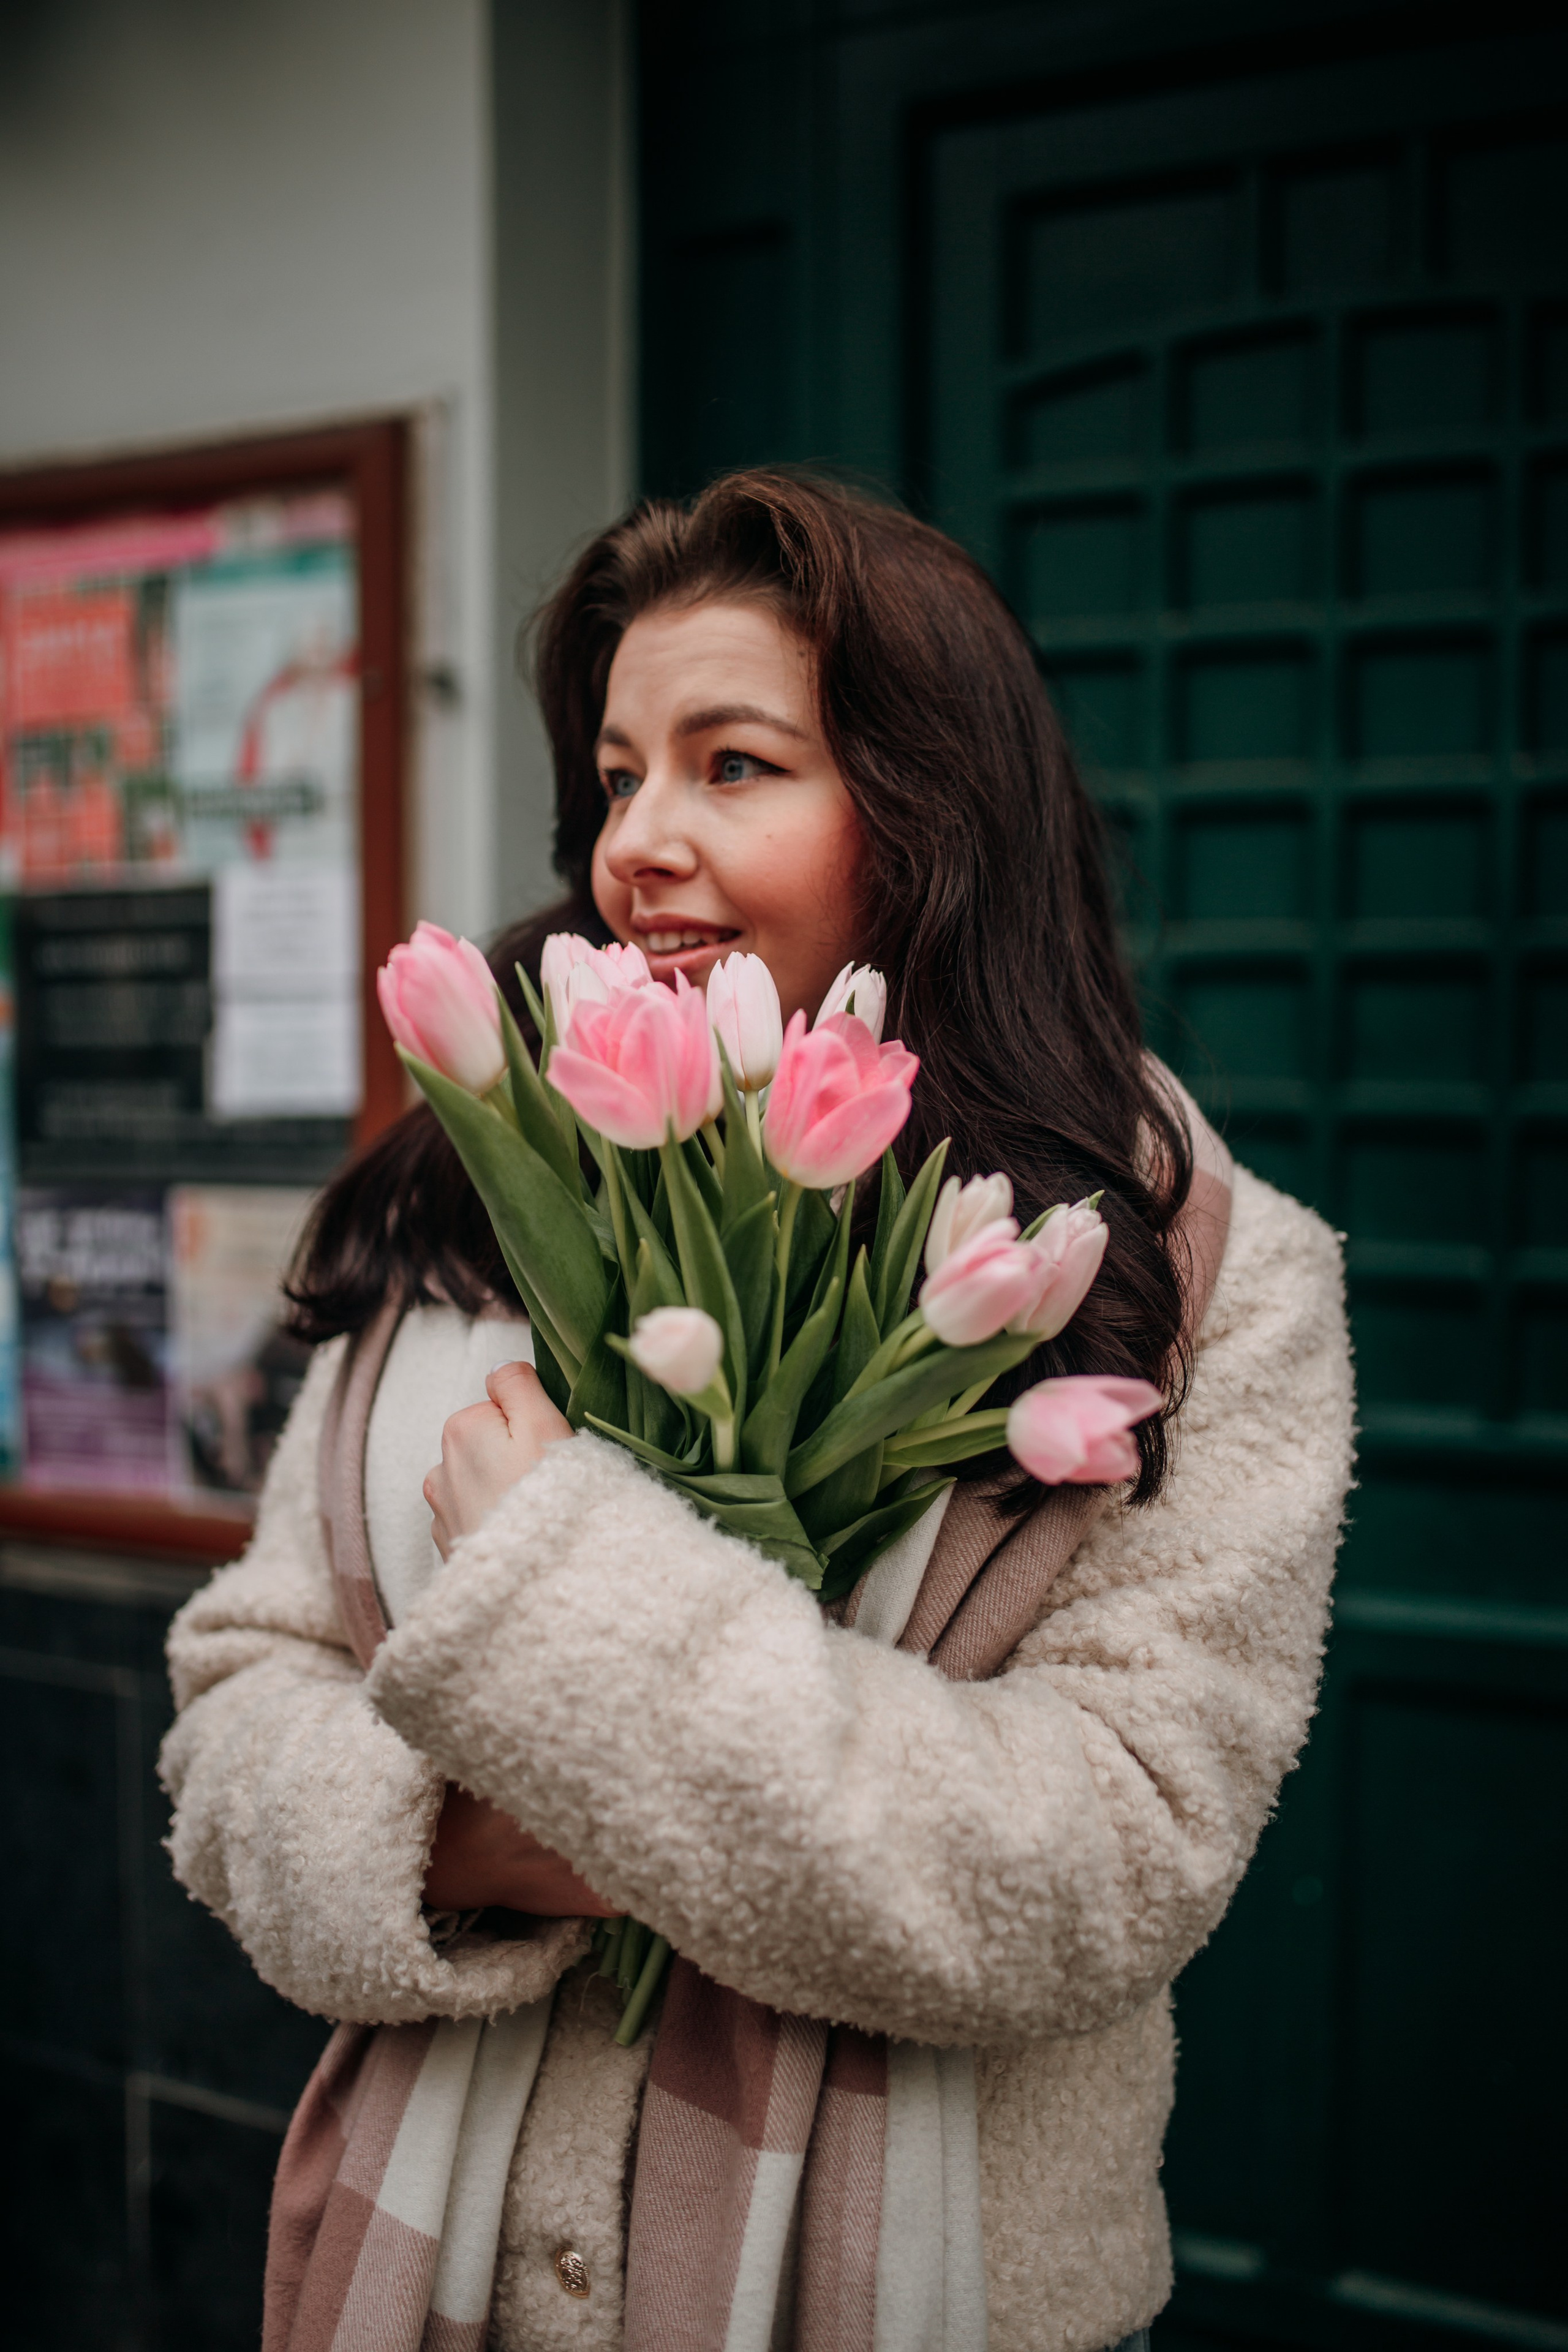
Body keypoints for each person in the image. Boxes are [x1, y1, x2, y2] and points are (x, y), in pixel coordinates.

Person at [160, 471, 1353, 2352]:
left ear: (929, 813)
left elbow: (1109, 1860)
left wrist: (574, 1636)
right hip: (429, 2282)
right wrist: (453, 1845)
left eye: (735, 766)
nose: (638, 840)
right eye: (621, 775)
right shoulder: (478, 1187)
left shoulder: (1192, 1274)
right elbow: (241, 1698)